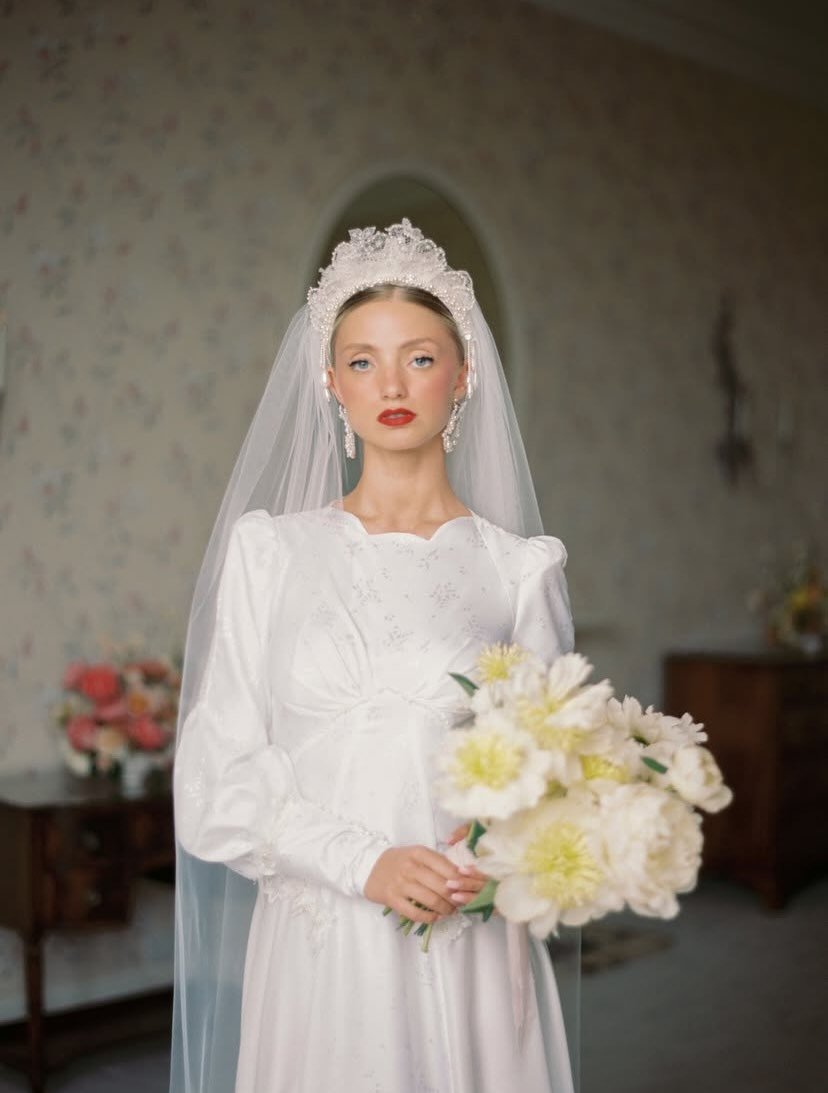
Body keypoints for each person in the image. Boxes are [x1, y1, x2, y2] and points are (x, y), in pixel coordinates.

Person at [170, 220, 578, 1092]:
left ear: (463, 373)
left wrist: (494, 853)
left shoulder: (520, 569)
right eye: (362, 360)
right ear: (331, 381)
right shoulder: (269, 552)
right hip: (323, 941)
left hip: (463, 936)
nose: (391, 384)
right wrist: (363, 863)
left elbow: (552, 778)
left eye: (419, 357)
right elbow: (212, 784)